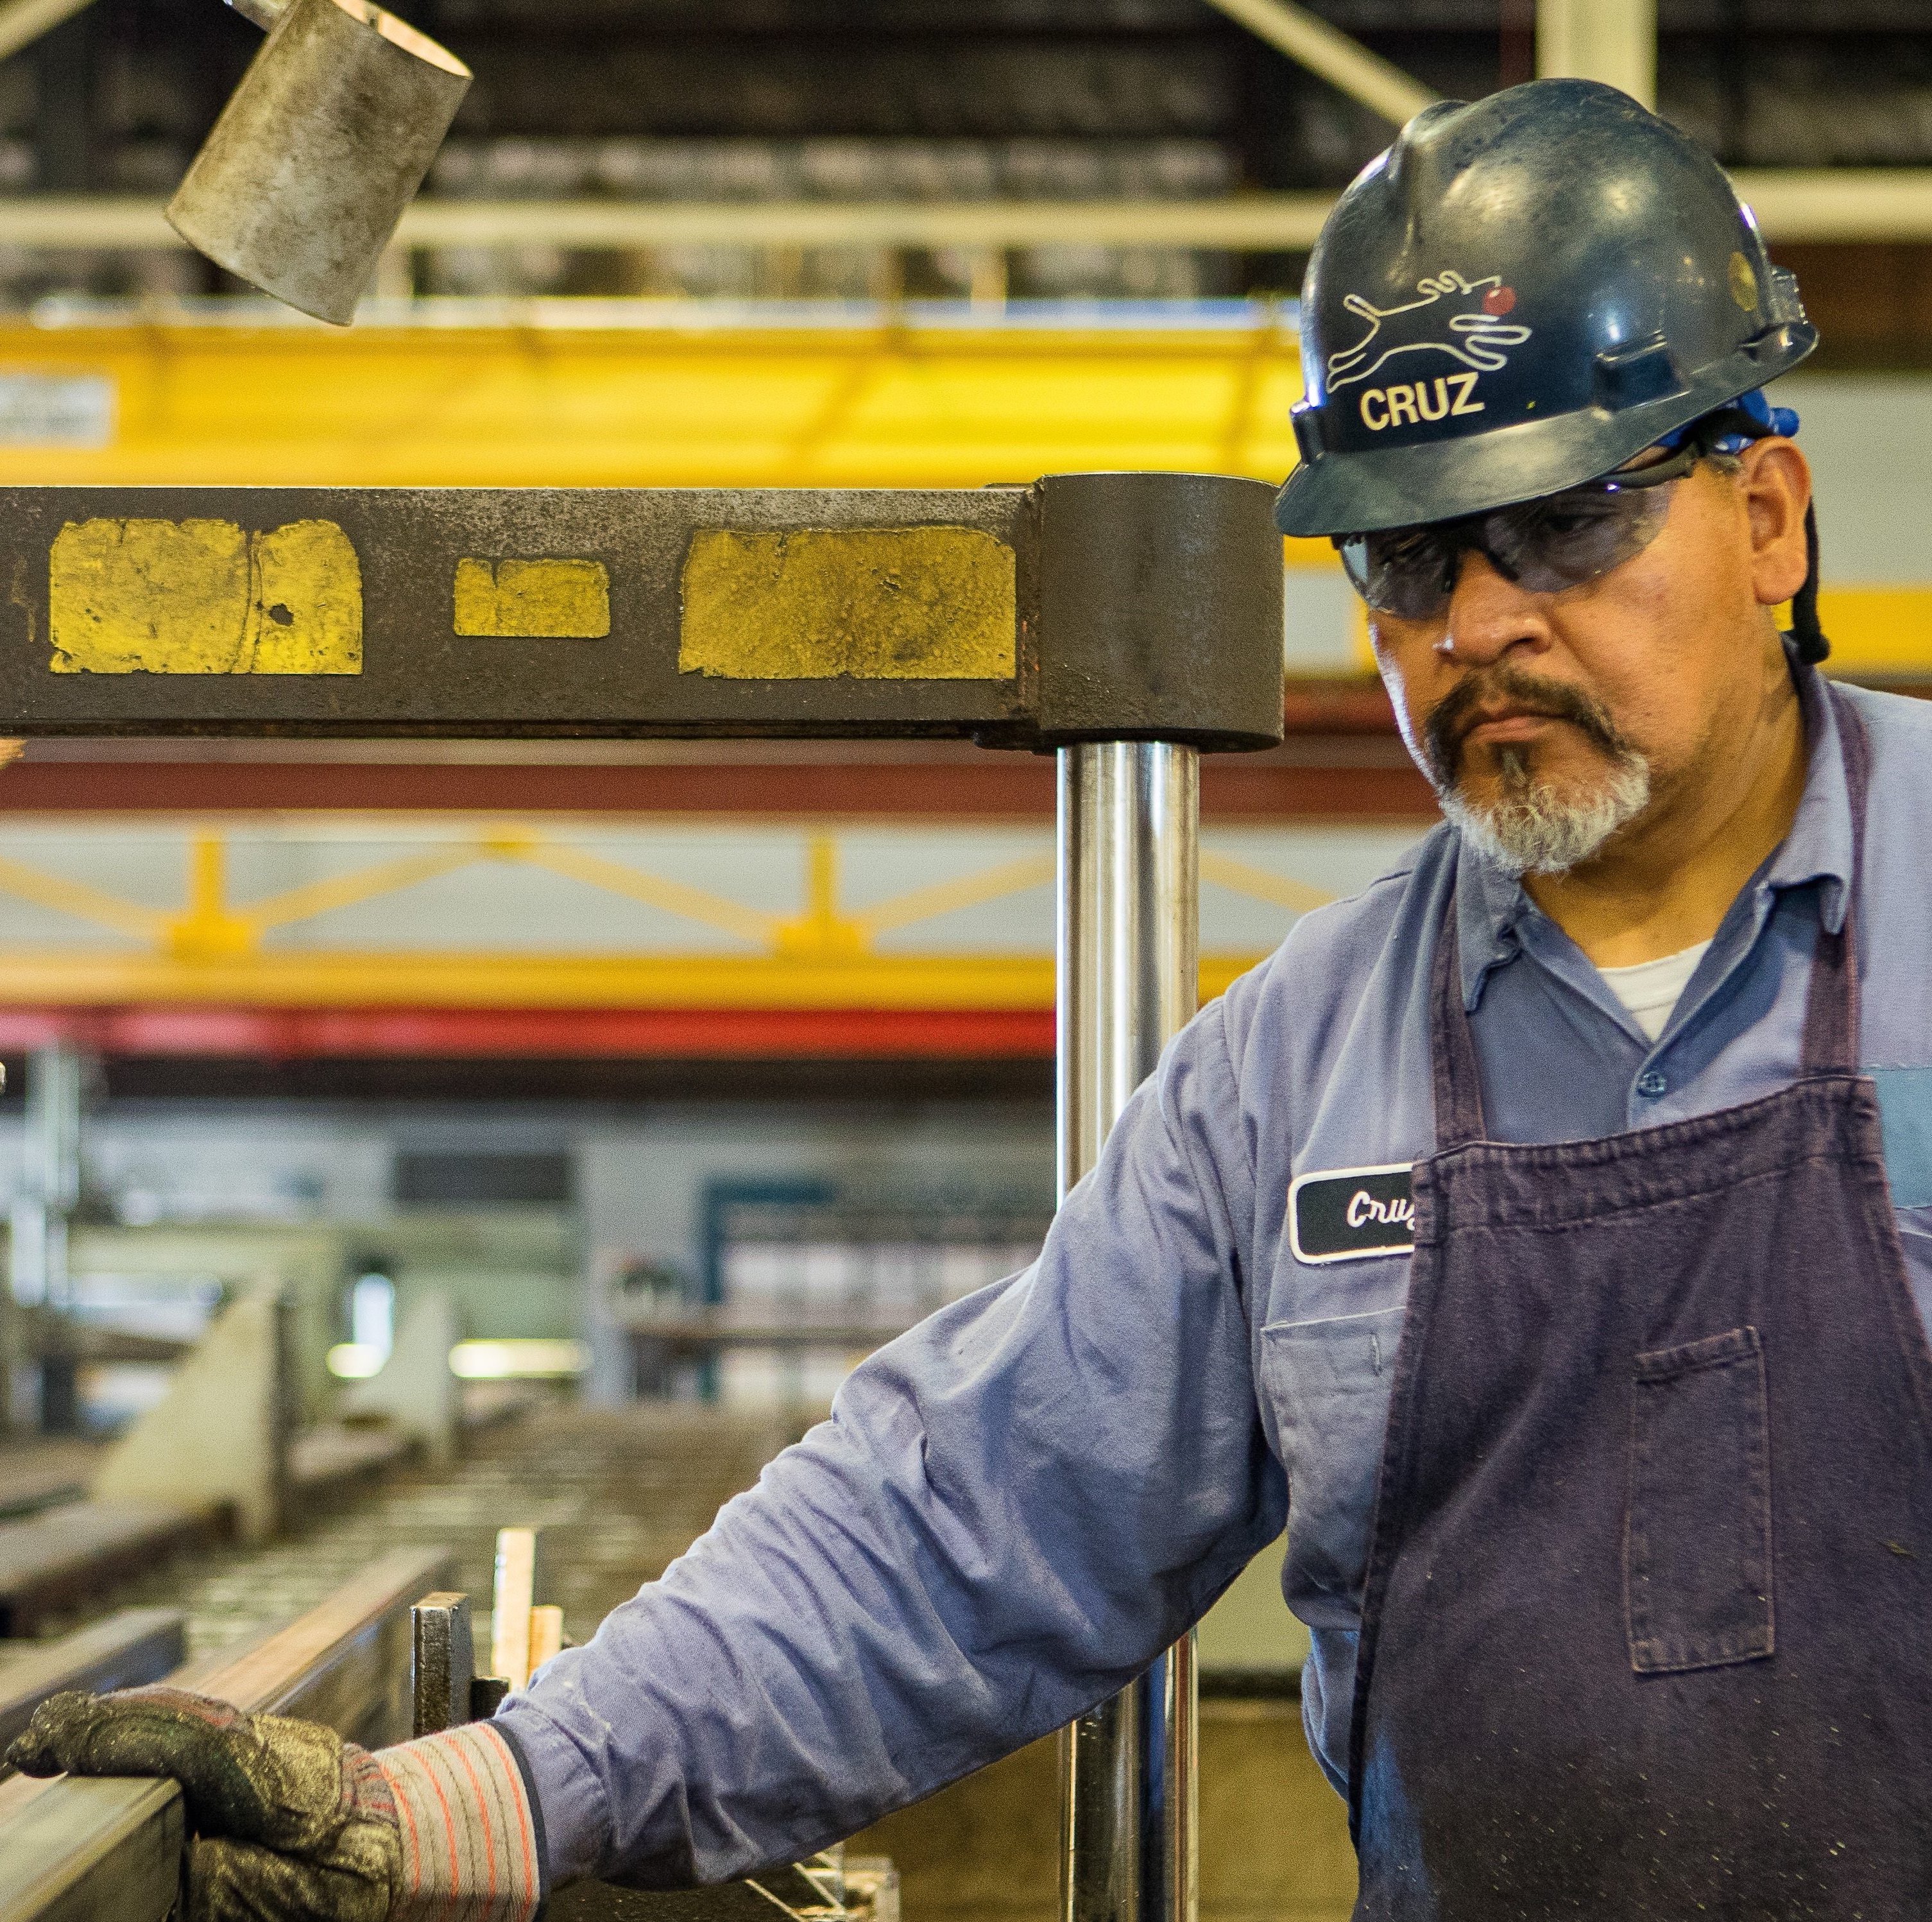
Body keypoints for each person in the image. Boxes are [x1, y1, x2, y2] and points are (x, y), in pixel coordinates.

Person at [13, 76, 1931, 1920]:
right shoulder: (1298, 1068)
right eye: (1409, 555)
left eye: (1568, 522)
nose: (1480, 623)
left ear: (1765, 517)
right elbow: (962, 1520)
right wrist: (492, 1792)